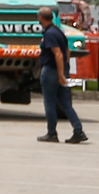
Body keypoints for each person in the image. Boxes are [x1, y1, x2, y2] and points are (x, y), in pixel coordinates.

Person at [37, 9, 88, 145]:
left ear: (41, 18)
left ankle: (52, 133)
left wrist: (60, 74)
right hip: (61, 70)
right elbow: (67, 51)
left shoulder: (50, 34)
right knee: (65, 103)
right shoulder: (58, 31)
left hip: (52, 71)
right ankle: (78, 130)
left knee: (49, 102)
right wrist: (65, 69)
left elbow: (58, 54)